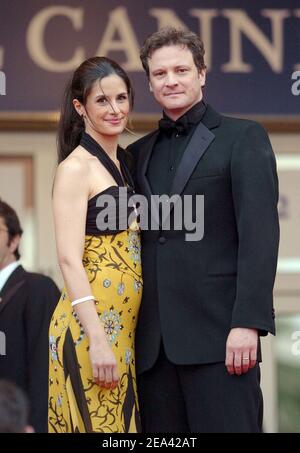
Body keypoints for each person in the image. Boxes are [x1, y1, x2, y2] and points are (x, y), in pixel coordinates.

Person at [127, 27, 279, 433]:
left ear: (203, 73)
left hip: (222, 342)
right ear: (150, 82)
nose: (171, 80)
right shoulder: (135, 154)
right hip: (152, 352)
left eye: (181, 69)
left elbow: (260, 237)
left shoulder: (243, 137)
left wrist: (248, 323)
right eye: (160, 74)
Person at [49, 56, 142, 433]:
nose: (115, 109)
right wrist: (98, 340)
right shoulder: (75, 168)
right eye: (102, 100)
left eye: (121, 98)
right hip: (91, 331)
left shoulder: (123, 160)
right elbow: (69, 260)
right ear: (80, 107)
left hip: (123, 331)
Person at [0, 199, 60, 432]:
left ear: (14, 240)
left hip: (20, 422)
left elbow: (44, 366)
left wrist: (35, 424)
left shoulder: (38, 289)